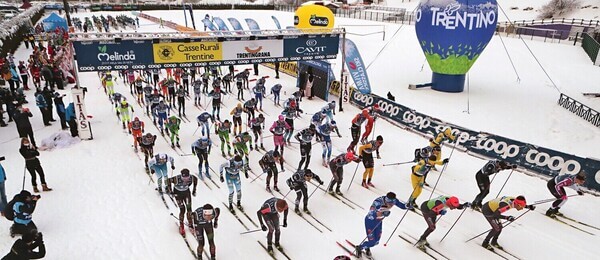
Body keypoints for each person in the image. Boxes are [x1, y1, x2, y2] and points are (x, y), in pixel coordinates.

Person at [355, 192, 409, 258]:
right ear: (386, 201)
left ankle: (367, 246)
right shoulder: (378, 202)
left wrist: (407, 205)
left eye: (392, 204)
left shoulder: (393, 200)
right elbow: (371, 212)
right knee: (372, 242)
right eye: (389, 204)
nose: (391, 206)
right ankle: (359, 248)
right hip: (370, 221)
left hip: (379, 221)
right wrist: (382, 213)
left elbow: (402, 206)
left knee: (376, 241)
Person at [166, 169, 198, 235]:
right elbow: (168, 181)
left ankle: (190, 223)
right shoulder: (177, 179)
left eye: (187, 178)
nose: (185, 179)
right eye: (184, 178)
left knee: (189, 209)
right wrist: (170, 191)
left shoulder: (191, 178)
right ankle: (181, 225)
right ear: (181, 176)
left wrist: (194, 190)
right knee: (182, 209)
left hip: (186, 193)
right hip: (178, 194)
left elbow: (195, 179)